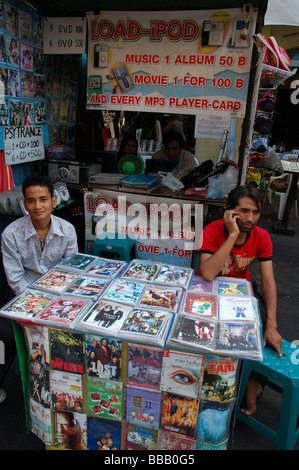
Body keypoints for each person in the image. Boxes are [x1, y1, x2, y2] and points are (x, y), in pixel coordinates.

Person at [199, 184, 283, 416]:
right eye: (244, 211)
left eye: (255, 212)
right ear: (230, 212)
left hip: (241, 294)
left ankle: (252, 384)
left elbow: (267, 282)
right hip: (209, 291)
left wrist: (273, 325)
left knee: (262, 332)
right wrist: (233, 234)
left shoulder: (262, 236)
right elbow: (207, 273)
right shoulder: (214, 230)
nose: (250, 218)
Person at [0, 173, 78, 401]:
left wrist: (54, 303)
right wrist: (37, 307)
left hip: (59, 295)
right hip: (23, 295)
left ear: (54, 201)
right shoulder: (11, 233)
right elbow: (15, 279)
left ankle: (65, 389)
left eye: (43, 199)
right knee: (4, 334)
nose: (38, 206)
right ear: (24, 204)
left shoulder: (68, 230)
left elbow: (71, 273)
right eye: (31, 200)